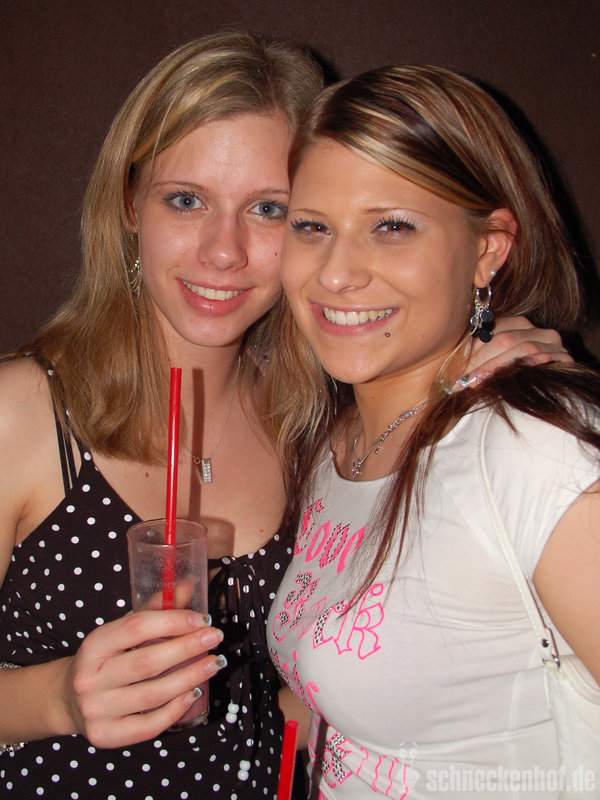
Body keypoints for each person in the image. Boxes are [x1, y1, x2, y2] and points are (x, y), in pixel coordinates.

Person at [0, 31, 572, 798]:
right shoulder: (20, 412)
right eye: (186, 200)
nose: (224, 251)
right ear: (130, 204)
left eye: (269, 209)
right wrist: (59, 698)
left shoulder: (318, 429)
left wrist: (488, 340)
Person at [267, 65, 600, 799]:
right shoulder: (334, 443)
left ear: (488, 249)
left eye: (391, 227)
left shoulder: (535, 450)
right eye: (312, 226)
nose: (336, 274)